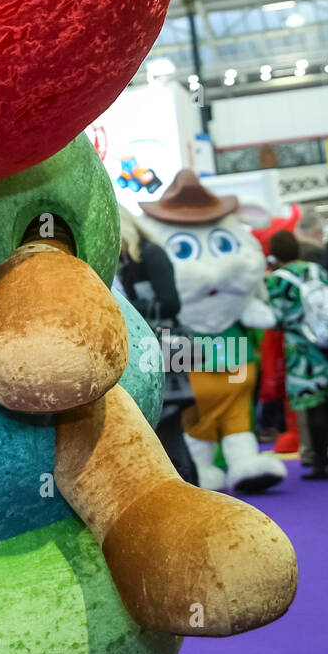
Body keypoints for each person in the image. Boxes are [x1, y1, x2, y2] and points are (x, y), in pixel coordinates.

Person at [118, 207, 197, 485]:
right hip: (151, 352)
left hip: (163, 351)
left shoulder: (150, 254)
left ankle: (189, 495)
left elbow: (171, 303)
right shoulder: (128, 259)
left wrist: (125, 306)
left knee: (169, 433)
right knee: (163, 436)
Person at [266, 230, 328, 481]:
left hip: (302, 351)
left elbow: (275, 319)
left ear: (274, 254)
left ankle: (319, 461)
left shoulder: (276, 280)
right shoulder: (316, 269)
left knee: (313, 405)